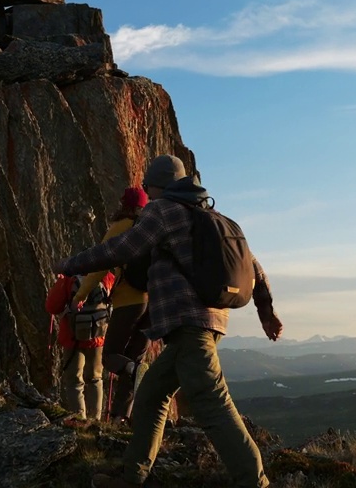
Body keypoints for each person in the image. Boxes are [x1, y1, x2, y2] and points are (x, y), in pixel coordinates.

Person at [53, 154, 283, 488]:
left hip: (189, 327)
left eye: (148, 187)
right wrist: (266, 312)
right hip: (208, 323)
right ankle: (131, 477)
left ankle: (255, 482)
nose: (147, 194)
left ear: (158, 185)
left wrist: (71, 264)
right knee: (151, 396)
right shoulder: (210, 216)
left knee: (212, 403)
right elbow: (254, 266)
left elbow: (121, 248)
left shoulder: (163, 211)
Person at [91, 186, 152, 423]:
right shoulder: (153, 230)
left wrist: (79, 297)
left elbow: (98, 265)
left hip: (129, 303)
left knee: (111, 357)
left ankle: (137, 374)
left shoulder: (119, 229)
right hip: (153, 304)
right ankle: (120, 418)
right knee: (133, 362)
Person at [45, 264, 116, 421]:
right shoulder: (106, 277)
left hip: (73, 339)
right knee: (96, 378)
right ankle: (95, 421)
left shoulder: (69, 281)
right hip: (99, 337)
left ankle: (79, 420)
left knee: (75, 380)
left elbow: (52, 307)